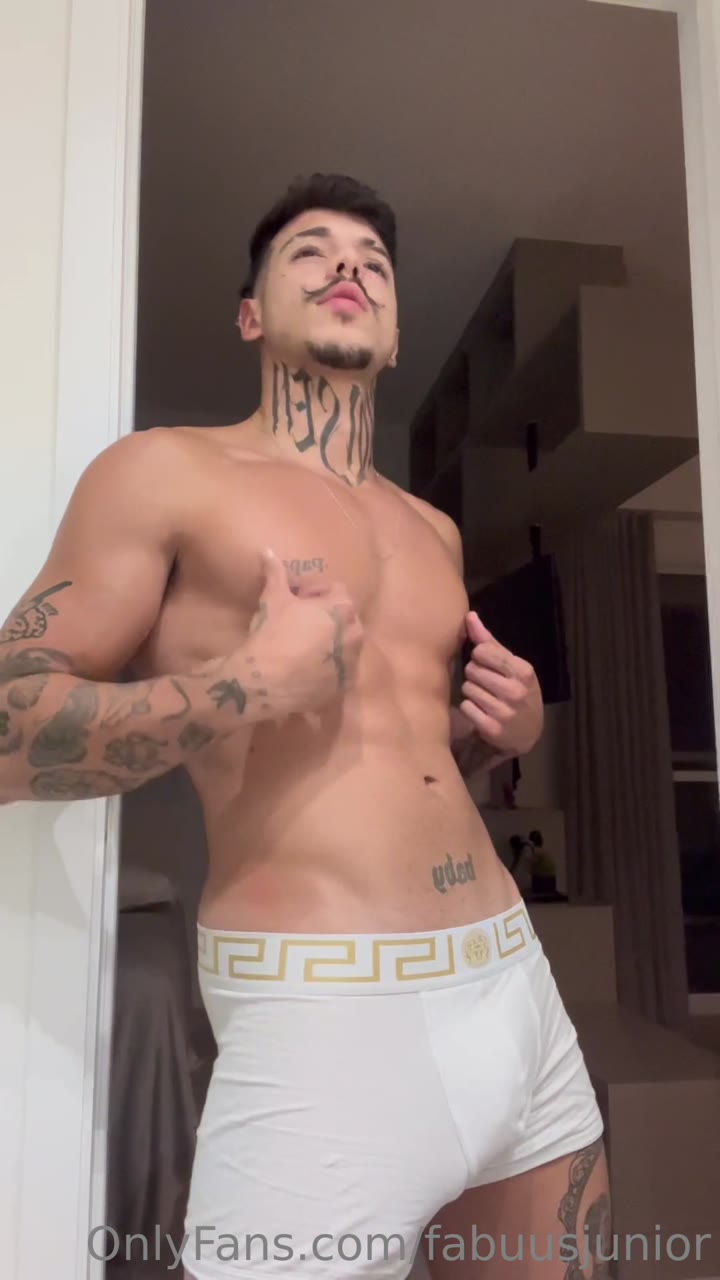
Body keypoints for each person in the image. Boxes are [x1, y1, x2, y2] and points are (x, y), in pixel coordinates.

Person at [0, 173, 608, 1279]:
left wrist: (497, 735)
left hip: (513, 985)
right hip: (323, 1009)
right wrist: (248, 682)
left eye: (374, 262)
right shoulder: (162, 472)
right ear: (250, 314)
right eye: (312, 250)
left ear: (393, 335)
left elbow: (399, 766)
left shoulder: (431, 528)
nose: (348, 267)